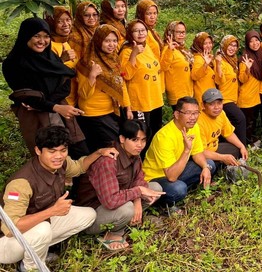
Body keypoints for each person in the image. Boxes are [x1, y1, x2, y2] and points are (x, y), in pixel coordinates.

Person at [0, 126, 117, 271]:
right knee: (42, 229)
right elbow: (11, 228)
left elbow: (79, 167)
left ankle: (39, 250)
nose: (58, 156)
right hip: (6, 243)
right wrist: (52, 211)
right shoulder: (21, 183)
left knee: (88, 215)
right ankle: (30, 267)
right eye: (51, 151)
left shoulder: (61, 164)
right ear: (38, 150)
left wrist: (100, 152)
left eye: (63, 150)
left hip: (38, 223)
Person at [3, 18, 87, 158]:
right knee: (51, 156)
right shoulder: (13, 64)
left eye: (46, 36)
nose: (42, 41)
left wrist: (48, 104)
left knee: (78, 151)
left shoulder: (50, 57)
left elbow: (65, 82)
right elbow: (25, 96)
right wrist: (53, 106)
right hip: (36, 118)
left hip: (61, 109)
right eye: (36, 36)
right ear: (26, 36)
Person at [76, 120, 164, 250]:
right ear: (122, 139)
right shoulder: (108, 160)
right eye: (135, 140)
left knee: (155, 188)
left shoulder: (134, 153)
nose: (140, 145)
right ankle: (113, 233)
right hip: (94, 212)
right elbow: (111, 201)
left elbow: (139, 178)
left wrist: (138, 201)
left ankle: (127, 221)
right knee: (128, 208)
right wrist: (138, 192)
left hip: (119, 200)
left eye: (143, 140)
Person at [142, 97, 215, 208]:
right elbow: (171, 176)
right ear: (176, 114)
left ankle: (189, 185)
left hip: (178, 170)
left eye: (196, 113)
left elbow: (197, 153)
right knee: (178, 189)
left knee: (210, 164)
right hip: (158, 178)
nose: (193, 118)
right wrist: (186, 150)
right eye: (189, 113)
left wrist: (205, 167)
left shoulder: (194, 127)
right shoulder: (164, 136)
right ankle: (159, 201)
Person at [76, 24, 131, 151]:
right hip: (94, 115)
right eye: (107, 41)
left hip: (112, 111)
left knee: (113, 148)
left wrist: (127, 107)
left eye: (114, 40)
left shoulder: (114, 59)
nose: (111, 44)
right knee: (107, 150)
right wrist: (92, 76)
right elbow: (83, 94)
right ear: (98, 40)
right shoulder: (86, 63)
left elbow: (120, 84)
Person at [119, 20, 164, 139]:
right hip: (139, 103)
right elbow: (125, 75)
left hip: (155, 100)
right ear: (130, 33)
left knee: (155, 134)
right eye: (136, 31)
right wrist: (134, 54)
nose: (140, 33)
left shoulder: (147, 47)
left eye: (143, 30)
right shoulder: (126, 51)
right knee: (141, 137)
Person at [197, 88, 249, 168]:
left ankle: (221, 163)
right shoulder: (198, 122)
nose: (216, 107)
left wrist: (242, 146)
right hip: (203, 153)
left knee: (237, 150)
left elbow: (229, 134)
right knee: (210, 164)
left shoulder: (221, 114)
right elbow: (200, 152)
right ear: (203, 105)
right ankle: (217, 165)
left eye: (219, 103)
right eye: (211, 104)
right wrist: (222, 157)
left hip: (215, 148)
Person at [214, 34, 247, 145]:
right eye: (230, 45)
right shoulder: (220, 61)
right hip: (224, 98)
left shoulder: (232, 60)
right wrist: (218, 64)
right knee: (240, 119)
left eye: (234, 45)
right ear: (224, 45)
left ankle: (229, 148)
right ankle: (242, 147)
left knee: (227, 125)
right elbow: (219, 81)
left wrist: (247, 68)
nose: (232, 48)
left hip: (233, 98)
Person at [238, 30, 262, 145]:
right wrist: (248, 69)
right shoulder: (245, 58)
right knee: (247, 122)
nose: (254, 43)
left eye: (256, 40)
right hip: (247, 97)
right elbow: (242, 79)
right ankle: (246, 144)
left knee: (253, 121)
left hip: (256, 96)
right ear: (247, 44)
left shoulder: (260, 55)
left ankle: (249, 141)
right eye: (251, 41)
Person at [161, 21, 194, 108]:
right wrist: (169, 50)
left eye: (183, 32)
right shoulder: (168, 48)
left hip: (187, 90)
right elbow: (163, 67)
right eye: (178, 32)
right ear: (171, 33)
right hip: (177, 93)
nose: (181, 35)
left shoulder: (182, 49)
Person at [190, 32, 216, 109]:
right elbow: (194, 76)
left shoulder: (207, 57)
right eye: (205, 43)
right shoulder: (198, 58)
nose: (208, 46)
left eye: (210, 43)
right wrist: (205, 64)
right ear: (199, 45)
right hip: (203, 97)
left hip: (210, 96)